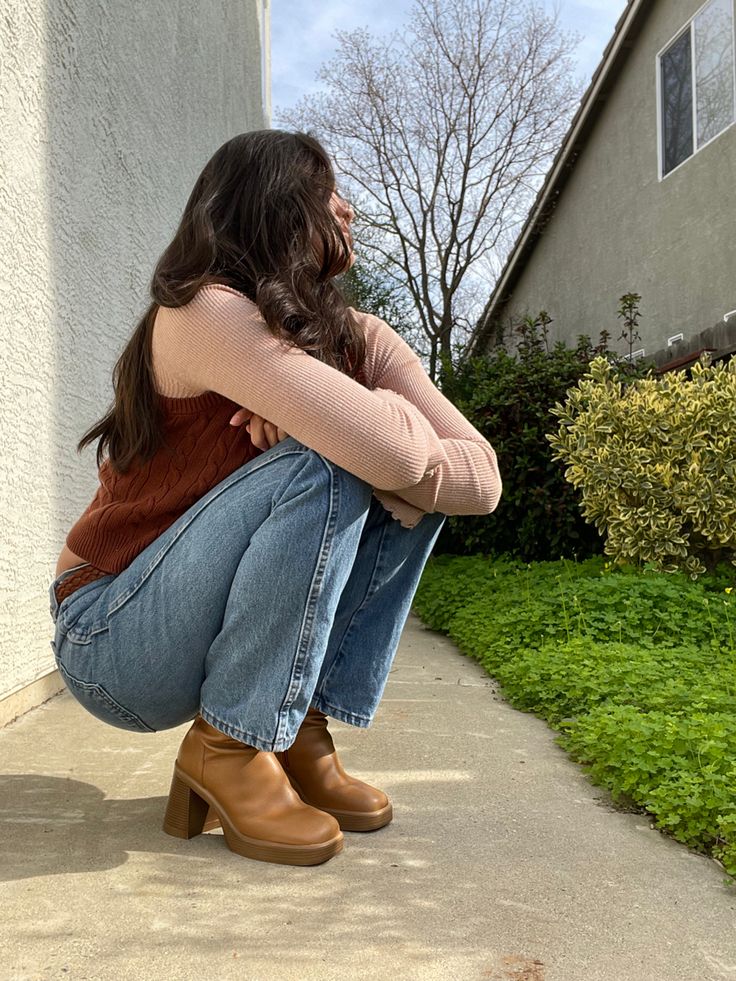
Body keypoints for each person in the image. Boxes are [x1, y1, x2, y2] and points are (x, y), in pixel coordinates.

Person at [48, 129, 502, 867]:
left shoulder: (365, 341)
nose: (349, 210)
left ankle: (297, 731)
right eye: (330, 194)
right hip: (110, 631)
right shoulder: (203, 313)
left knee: (366, 463)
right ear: (277, 206)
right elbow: (391, 453)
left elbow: (482, 478)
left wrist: (347, 417)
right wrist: (351, 433)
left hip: (181, 616)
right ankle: (229, 746)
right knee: (329, 465)